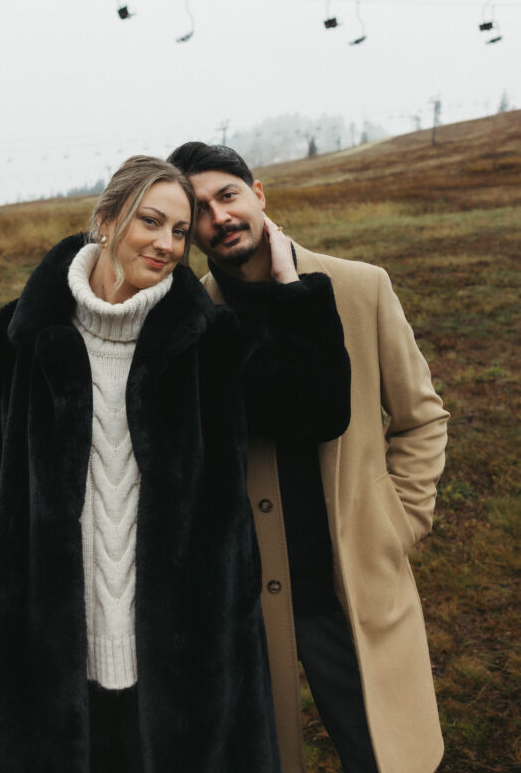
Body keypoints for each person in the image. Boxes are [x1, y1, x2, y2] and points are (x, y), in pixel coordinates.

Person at [0, 155, 351, 773]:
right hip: (37, 672)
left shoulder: (208, 342)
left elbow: (314, 409)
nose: (167, 244)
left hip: (192, 675)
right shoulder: (12, 341)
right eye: (151, 221)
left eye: (179, 231)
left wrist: (291, 287)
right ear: (106, 220)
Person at [167, 142, 449, 773]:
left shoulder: (359, 287)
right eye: (199, 210)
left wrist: (402, 519)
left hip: (349, 582)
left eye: (227, 195)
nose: (219, 217)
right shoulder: (191, 322)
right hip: (244, 598)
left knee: (386, 754)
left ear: (258, 194)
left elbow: (421, 418)